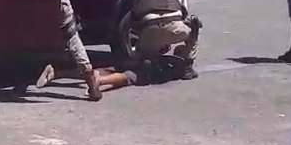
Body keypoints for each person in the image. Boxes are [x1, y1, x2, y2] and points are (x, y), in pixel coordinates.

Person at [0, 0, 103, 101]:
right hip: (54, 5)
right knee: (72, 41)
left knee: (24, 45)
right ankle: (91, 82)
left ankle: (22, 82)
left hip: (33, 12)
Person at [128, 0, 200, 80]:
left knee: (141, 51)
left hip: (150, 29)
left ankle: (146, 60)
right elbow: (184, 14)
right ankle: (187, 67)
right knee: (194, 30)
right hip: (174, 27)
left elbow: (134, 17)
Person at [35, 56, 185, 92]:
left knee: (110, 69)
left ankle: (57, 73)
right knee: (133, 76)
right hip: (148, 60)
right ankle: (100, 81)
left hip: (133, 43)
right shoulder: (179, 64)